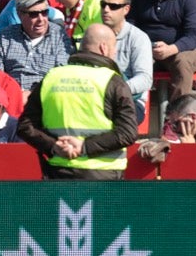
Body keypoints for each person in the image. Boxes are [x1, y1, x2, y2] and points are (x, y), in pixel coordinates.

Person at [19, 22, 138, 180]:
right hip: (103, 177)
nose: (114, 53)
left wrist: (54, 146)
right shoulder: (113, 81)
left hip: (58, 172)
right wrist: (84, 147)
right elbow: (127, 133)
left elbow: (25, 126)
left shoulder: (51, 77)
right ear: (104, 48)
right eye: (114, 48)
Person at [0, 0, 74, 92]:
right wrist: (15, 94)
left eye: (44, 12)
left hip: (44, 95)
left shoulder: (59, 36)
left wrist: (32, 95)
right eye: (34, 14)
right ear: (20, 14)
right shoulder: (6, 37)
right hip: (11, 94)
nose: (41, 19)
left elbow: (61, 76)